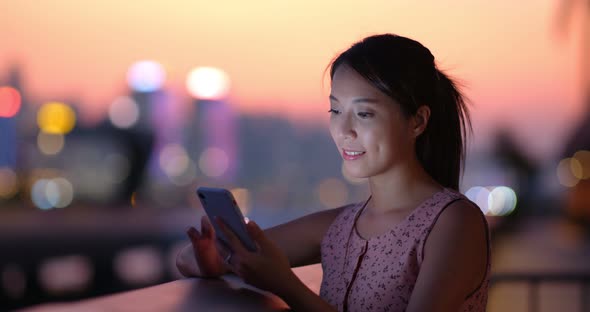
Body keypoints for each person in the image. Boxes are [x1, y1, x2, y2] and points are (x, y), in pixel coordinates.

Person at [176, 33, 490, 312]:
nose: (344, 131)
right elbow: (186, 258)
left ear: (417, 121)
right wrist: (213, 260)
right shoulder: (340, 227)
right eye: (336, 110)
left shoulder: (454, 223)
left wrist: (286, 285)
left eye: (364, 114)